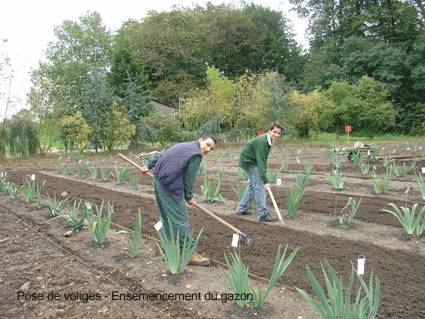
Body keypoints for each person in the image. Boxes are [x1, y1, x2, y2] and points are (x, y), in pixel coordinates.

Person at [140, 134, 217, 266]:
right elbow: (189, 179)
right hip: (170, 186)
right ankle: (189, 254)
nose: (208, 150)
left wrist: (149, 165)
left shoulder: (182, 145)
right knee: (180, 221)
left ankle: (168, 251)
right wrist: (188, 197)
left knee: (166, 218)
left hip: (158, 182)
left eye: (211, 148)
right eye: (208, 145)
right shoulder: (195, 155)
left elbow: (162, 154)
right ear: (200, 140)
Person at [235, 121, 283, 222]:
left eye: (279, 133)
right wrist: (265, 181)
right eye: (275, 132)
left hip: (251, 160)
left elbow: (263, 160)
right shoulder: (263, 141)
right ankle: (263, 214)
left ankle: (241, 209)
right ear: (270, 131)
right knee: (259, 186)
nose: (277, 135)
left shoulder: (269, 140)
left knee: (252, 185)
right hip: (249, 162)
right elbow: (261, 161)